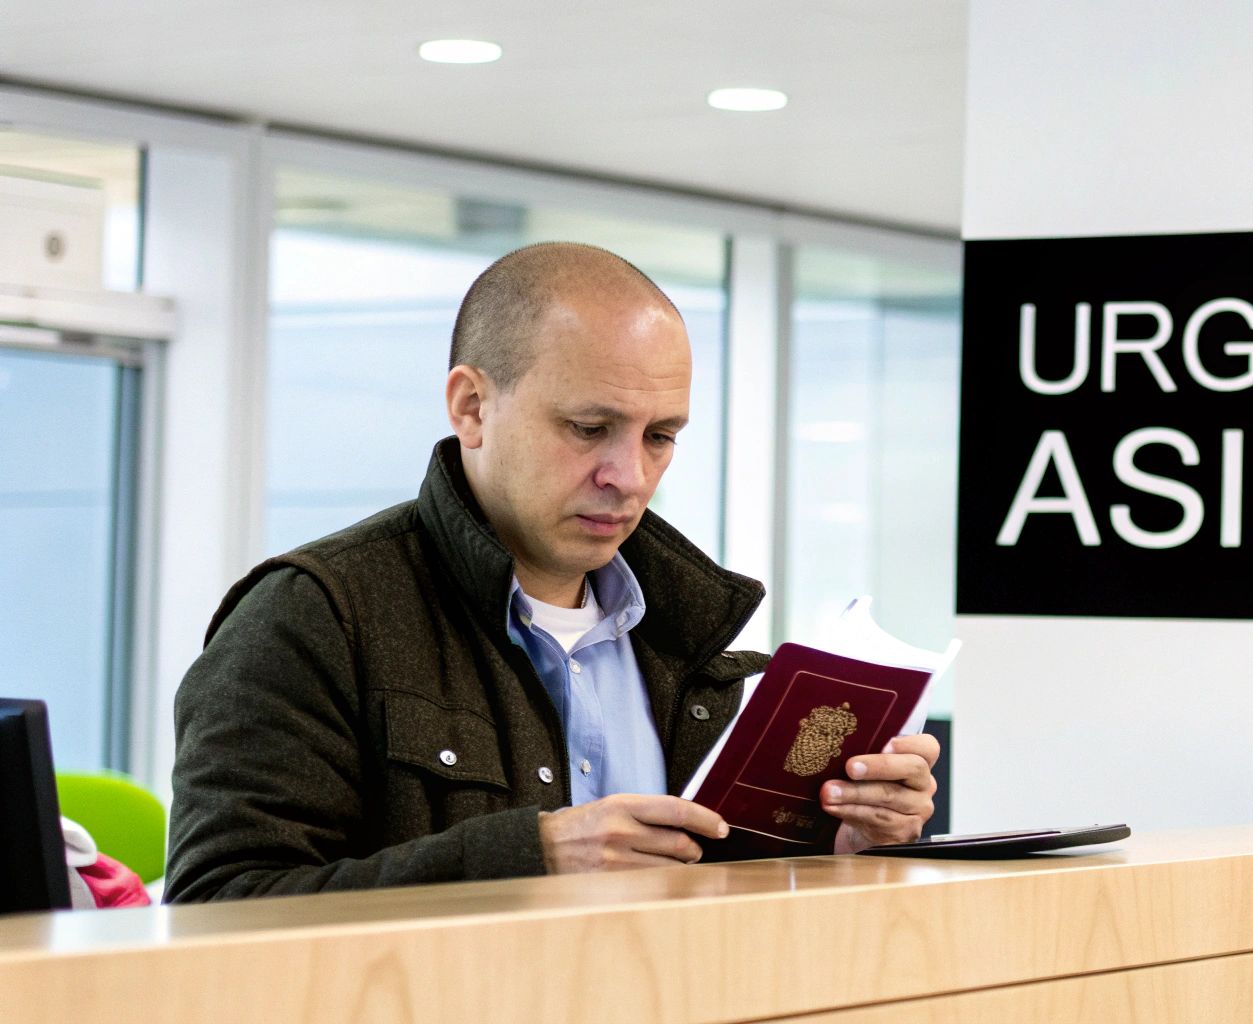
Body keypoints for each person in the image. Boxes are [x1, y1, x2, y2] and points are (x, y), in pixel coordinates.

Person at [164, 242, 940, 901]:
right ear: (470, 407)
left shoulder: (691, 641)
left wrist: (845, 847)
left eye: (660, 436)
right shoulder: (315, 615)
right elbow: (217, 904)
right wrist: (527, 863)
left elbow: (724, 899)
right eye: (589, 428)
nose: (629, 475)